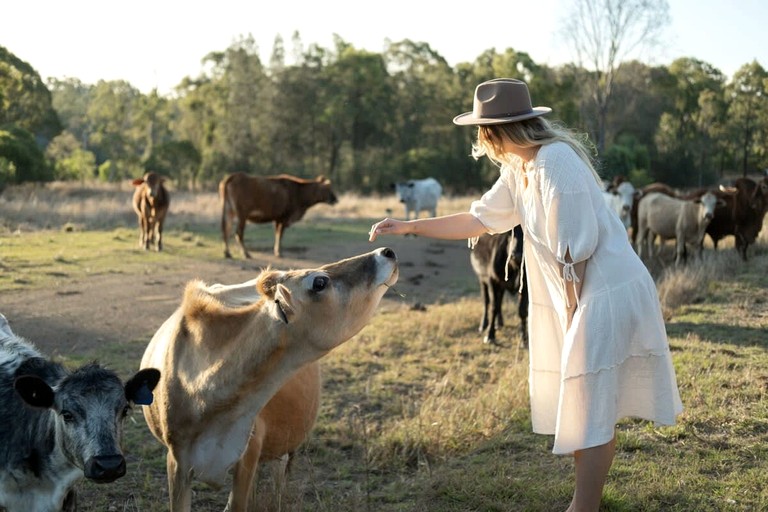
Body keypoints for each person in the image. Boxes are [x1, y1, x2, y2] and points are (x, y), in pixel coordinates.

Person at [369, 78, 683, 512]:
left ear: (496, 131)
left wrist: (572, 313)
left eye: (482, 130)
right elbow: (479, 219)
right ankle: (584, 502)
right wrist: (409, 227)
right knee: (583, 405)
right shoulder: (520, 168)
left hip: (605, 290)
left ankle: (583, 507)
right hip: (583, 292)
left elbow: (575, 250)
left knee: (589, 407)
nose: (480, 139)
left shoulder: (556, 162)